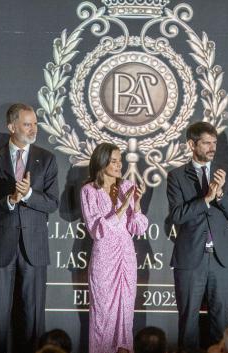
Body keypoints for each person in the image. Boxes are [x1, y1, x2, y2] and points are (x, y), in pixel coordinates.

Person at [0, 103, 59, 353]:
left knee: (34, 318)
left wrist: (29, 194)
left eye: (35, 124)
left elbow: (53, 203)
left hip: (34, 248)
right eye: (27, 124)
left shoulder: (46, 159)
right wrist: (10, 200)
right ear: (11, 127)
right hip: (1, 248)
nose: (34, 129)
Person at [167, 122, 228, 349]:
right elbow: (178, 215)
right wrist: (206, 199)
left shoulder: (226, 173)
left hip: (222, 260)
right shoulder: (177, 176)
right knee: (188, 324)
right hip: (191, 259)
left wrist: (219, 195)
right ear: (192, 144)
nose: (212, 148)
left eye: (215, 143)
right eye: (206, 143)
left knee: (221, 325)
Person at [80, 143, 149, 353]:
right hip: (104, 259)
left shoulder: (128, 186)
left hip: (126, 258)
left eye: (121, 161)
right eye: (114, 161)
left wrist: (136, 203)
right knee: (103, 315)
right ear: (101, 163)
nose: (120, 165)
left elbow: (138, 227)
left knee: (125, 315)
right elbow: (97, 230)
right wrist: (120, 208)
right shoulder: (89, 190)